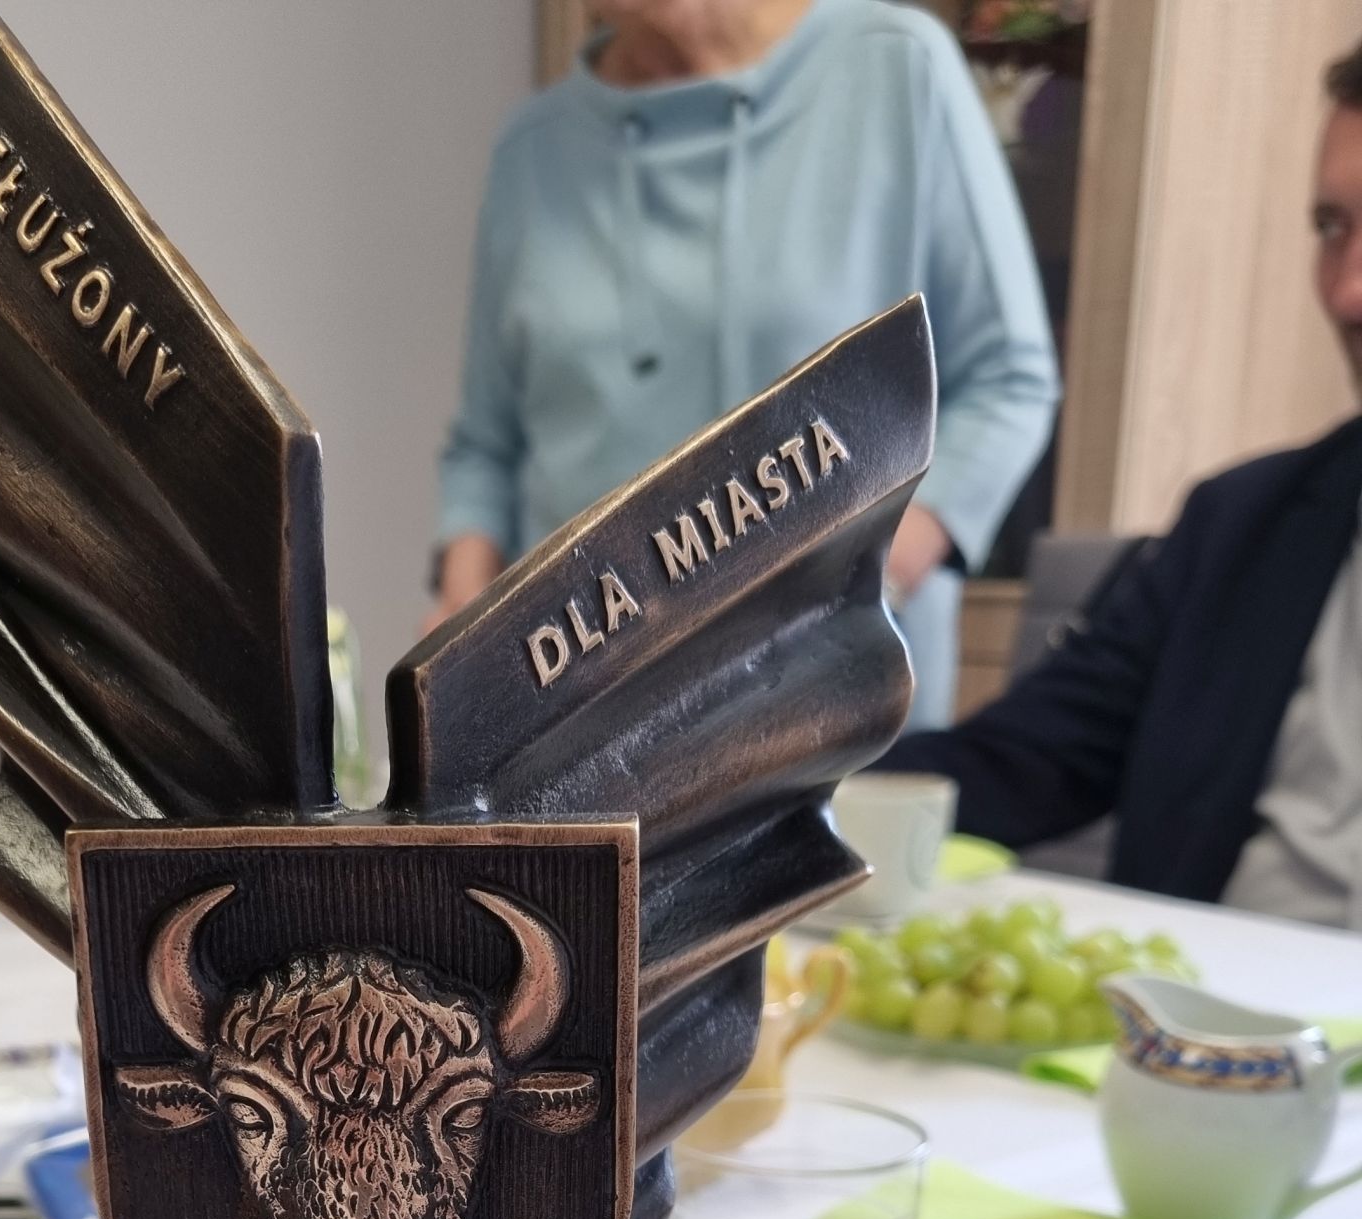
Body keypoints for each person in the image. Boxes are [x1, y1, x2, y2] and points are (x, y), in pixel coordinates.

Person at [431, 0, 1059, 726]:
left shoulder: (898, 70)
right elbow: (486, 448)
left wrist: (852, 589)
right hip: (577, 724)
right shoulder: (531, 149)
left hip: (827, 714)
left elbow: (1009, 380)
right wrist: (461, 661)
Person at [878, 42, 1362, 921]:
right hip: (1199, 1006)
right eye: (1333, 229)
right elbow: (1021, 762)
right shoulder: (1241, 527)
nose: (1348, 293)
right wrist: (736, 792)